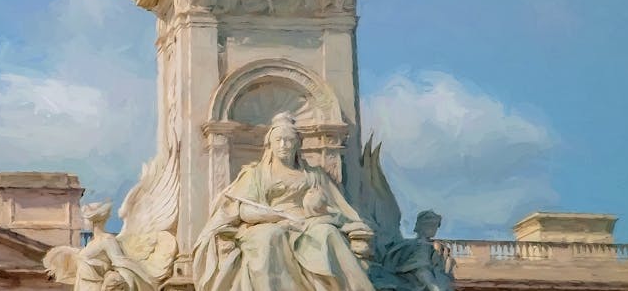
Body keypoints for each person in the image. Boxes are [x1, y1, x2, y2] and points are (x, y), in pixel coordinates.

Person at [193, 112, 375, 291]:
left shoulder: (313, 175)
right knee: (270, 236)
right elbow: (242, 210)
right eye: (278, 140)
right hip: (266, 223)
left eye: (289, 141)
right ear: (270, 144)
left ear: (297, 144)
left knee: (327, 233)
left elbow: (337, 208)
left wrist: (316, 205)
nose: (283, 145)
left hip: (306, 223)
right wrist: (273, 216)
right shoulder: (255, 174)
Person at [380, 211, 454, 291]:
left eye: (436, 226)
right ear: (423, 226)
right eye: (432, 225)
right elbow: (422, 272)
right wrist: (435, 288)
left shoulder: (418, 245)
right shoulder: (421, 246)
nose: (435, 229)